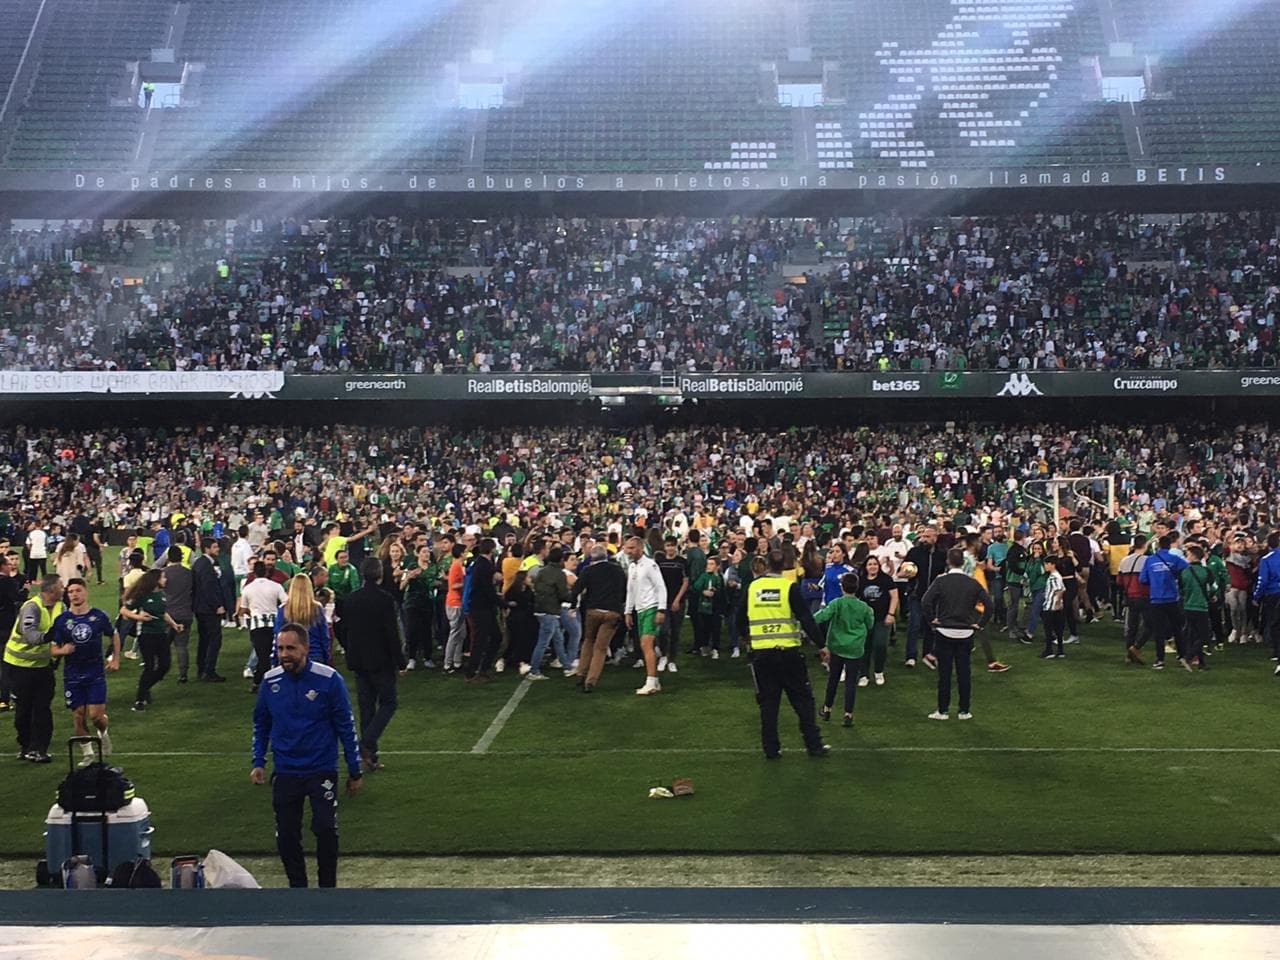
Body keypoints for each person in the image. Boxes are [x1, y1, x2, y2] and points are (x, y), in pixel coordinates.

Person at [250, 623, 362, 889]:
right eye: (280, 648)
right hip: (286, 770)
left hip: (321, 768)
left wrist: (354, 769)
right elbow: (261, 723)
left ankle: (327, 889)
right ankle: (297, 888)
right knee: (286, 835)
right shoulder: (270, 681)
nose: (284, 654)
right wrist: (258, 761)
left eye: (290, 648)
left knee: (325, 828)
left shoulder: (329, 679)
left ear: (305, 649)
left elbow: (345, 725)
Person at [738, 549, 829, 759]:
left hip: (762, 654)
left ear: (767, 565)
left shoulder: (753, 587)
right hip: (788, 654)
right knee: (803, 702)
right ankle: (813, 745)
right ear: (785, 566)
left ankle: (771, 749)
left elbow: (739, 618)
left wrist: (747, 638)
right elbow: (806, 618)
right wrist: (821, 645)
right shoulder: (789, 587)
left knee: (768, 705)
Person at [336, 558, 404, 772]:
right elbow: (391, 633)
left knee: (366, 708)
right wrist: (400, 660)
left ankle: (370, 757)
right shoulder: (385, 599)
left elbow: (342, 629)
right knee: (389, 702)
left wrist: (349, 648)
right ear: (380, 574)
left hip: (358, 660)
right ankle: (367, 743)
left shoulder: (351, 599)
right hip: (381, 660)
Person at [49, 578, 120, 763]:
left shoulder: (98, 616)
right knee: (78, 715)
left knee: (96, 716)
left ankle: (103, 732)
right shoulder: (62, 620)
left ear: (86, 592)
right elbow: (53, 649)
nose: (74, 594)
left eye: (78, 590)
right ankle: (87, 754)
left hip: (95, 671)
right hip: (72, 673)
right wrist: (62, 651)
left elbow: (114, 635)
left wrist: (115, 659)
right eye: (71, 591)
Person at [921, 547, 991, 721]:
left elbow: (925, 601)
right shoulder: (972, 582)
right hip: (966, 632)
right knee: (964, 673)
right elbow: (989, 605)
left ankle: (942, 711)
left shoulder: (941, 581)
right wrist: (979, 624)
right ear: (963, 562)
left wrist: (932, 621)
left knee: (944, 674)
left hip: (944, 631)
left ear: (948, 561)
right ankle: (964, 711)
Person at [4, 574, 62, 762]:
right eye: (61, 586)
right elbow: (30, 635)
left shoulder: (61, 606)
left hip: (43, 667)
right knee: (23, 710)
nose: (63, 589)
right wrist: (48, 637)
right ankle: (25, 745)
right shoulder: (31, 607)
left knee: (43, 708)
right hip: (19, 666)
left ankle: (40, 748)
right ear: (51, 590)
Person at [814, 572, 874, 728]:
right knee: (850, 683)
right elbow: (870, 624)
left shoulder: (836, 603)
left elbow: (821, 616)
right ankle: (848, 715)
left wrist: (806, 622)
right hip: (855, 648)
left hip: (837, 647)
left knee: (833, 679)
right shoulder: (864, 607)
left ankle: (827, 709)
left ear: (842, 587)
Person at [120, 568, 179, 711]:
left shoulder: (161, 595)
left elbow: (162, 613)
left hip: (161, 633)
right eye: (163, 577)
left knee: (165, 665)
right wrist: (139, 617)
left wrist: (174, 624)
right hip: (146, 634)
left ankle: (144, 686)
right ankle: (140, 700)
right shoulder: (142, 596)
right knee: (149, 666)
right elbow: (124, 610)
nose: (165, 580)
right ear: (156, 580)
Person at [571, 545, 626, 691]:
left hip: (593, 610)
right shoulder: (618, 570)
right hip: (613, 611)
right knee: (601, 648)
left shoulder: (588, 570)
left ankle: (581, 674)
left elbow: (576, 590)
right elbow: (625, 590)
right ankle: (591, 681)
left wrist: (572, 606)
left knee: (588, 641)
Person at [624, 535, 668, 696]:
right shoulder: (632, 567)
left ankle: (650, 682)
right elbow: (630, 590)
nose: (628, 551)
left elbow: (661, 587)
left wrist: (661, 609)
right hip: (640, 609)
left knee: (646, 644)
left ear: (641, 548)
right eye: (627, 548)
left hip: (651, 607)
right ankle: (654, 681)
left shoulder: (650, 565)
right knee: (645, 645)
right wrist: (628, 611)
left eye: (632, 548)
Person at [1139, 533, 1190, 671]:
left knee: (1158, 630)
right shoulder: (1175, 559)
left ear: (1158, 546)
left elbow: (1142, 579)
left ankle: (1160, 659)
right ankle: (1182, 655)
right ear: (1170, 545)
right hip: (1172, 597)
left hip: (1156, 598)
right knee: (1177, 628)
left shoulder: (1150, 560)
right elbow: (1187, 569)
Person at [238, 561, 288, 691]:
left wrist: (251, 612)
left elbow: (243, 609)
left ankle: (263, 683)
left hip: (257, 625)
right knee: (272, 654)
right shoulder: (276, 586)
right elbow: (286, 603)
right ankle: (264, 682)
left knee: (262, 655)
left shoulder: (248, 588)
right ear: (266, 572)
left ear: (254, 573)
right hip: (274, 624)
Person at [528, 546, 574, 680]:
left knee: (558, 639)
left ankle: (567, 667)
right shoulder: (559, 573)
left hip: (540, 609)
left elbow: (536, 587)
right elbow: (563, 594)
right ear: (561, 560)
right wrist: (573, 597)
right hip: (550, 610)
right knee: (543, 642)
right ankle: (534, 670)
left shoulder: (542, 571)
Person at [856, 555, 897, 687]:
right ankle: (864, 674)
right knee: (864, 647)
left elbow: (894, 597)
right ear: (866, 567)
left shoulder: (886, 579)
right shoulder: (860, 580)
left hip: (882, 619)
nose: (872, 567)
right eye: (870, 564)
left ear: (879, 566)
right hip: (864, 620)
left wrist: (891, 614)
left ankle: (879, 671)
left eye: (875, 564)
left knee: (880, 645)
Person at [464, 539, 501, 682]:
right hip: (481, 608)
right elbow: (487, 590)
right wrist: (503, 603)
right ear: (491, 550)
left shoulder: (480, 563)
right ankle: (472, 672)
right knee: (481, 640)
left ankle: (483, 668)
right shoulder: (484, 566)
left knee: (494, 637)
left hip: (483, 607)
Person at [275, 575, 330, 667]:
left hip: (291, 656)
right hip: (315, 654)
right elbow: (324, 636)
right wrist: (326, 657)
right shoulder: (317, 608)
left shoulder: (283, 609)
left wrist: (276, 659)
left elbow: (278, 636)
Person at [192, 539, 227, 682]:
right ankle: (209, 671)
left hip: (200, 607)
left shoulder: (199, 563)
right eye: (214, 547)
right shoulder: (206, 565)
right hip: (208, 609)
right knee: (214, 640)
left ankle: (201, 669)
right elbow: (208, 588)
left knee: (204, 639)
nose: (217, 549)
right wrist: (217, 605)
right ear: (206, 549)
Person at [161, 546, 195, 683]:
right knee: (181, 645)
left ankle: (160, 670)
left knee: (163, 645)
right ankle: (183, 674)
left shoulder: (163, 573)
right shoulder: (189, 573)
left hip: (167, 613)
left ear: (168, 557)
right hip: (185, 612)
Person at [0, 554, 29, 712]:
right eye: (8, 563)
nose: (10, 566)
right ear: (3, 566)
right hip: (6, 626)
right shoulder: (7, 581)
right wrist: (25, 590)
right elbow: (17, 598)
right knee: (7, 663)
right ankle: (5, 698)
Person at [656, 537, 689, 674]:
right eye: (668, 545)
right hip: (663, 601)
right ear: (664, 547)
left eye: (672, 546)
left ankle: (672, 660)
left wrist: (678, 599)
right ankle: (663, 655)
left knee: (675, 631)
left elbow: (685, 581)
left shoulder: (682, 562)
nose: (670, 548)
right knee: (663, 631)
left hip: (677, 600)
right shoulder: (660, 562)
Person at [1117, 535, 1151, 664]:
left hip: (1130, 596)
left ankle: (1129, 654)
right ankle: (1136, 647)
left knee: (1132, 626)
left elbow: (1119, 581)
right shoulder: (1147, 560)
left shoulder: (1124, 560)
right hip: (1144, 595)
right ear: (1145, 545)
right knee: (1150, 624)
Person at [690, 554, 726, 658]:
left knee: (716, 628)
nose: (708, 566)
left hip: (716, 607)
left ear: (717, 566)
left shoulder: (720, 577)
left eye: (711, 564)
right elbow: (695, 587)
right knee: (705, 628)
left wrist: (716, 593)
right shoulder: (704, 576)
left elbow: (723, 593)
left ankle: (715, 648)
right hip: (704, 607)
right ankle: (705, 647)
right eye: (708, 564)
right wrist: (703, 592)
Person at [1253, 531, 1280, 665]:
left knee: (1274, 623)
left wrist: (1256, 596)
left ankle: (1276, 651)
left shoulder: (1266, 559)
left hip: (1273, 594)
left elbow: (1262, 580)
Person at [1040, 555, 1067, 660]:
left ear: (1053, 565)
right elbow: (1063, 589)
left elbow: (1059, 590)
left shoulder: (1053, 577)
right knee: (1058, 630)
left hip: (1051, 606)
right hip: (1056, 606)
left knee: (1048, 630)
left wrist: (1057, 603)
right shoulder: (1058, 576)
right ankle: (1060, 650)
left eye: (1047, 564)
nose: (1045, 566)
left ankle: (1049, 650)